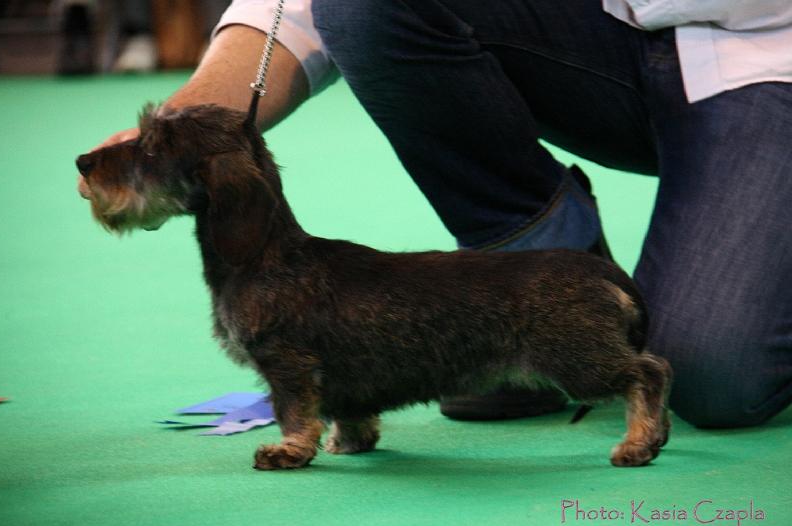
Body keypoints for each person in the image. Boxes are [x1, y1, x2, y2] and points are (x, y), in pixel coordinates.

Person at [83, 0, 792, 428]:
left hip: (770, 50)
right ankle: (530, 297)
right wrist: (179, 130)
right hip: (606, 28)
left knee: (712, 378)